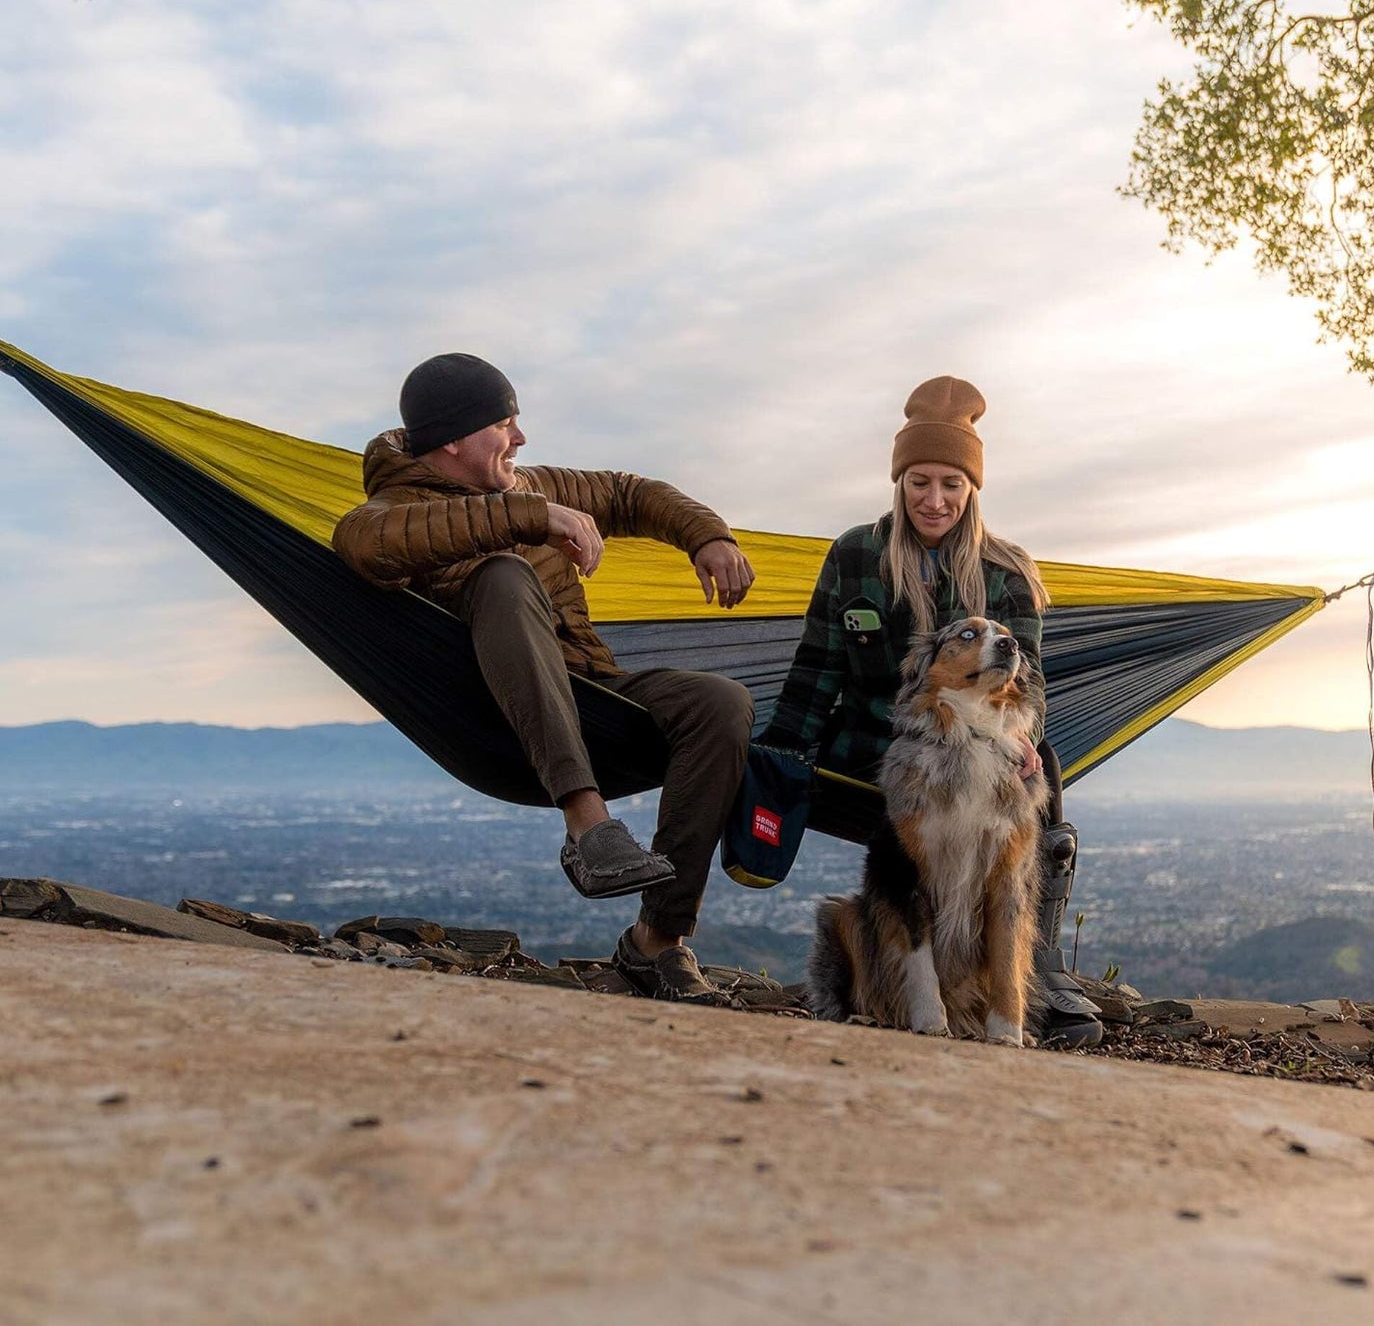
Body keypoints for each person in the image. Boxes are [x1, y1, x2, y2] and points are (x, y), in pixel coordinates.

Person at [333, 352, 757, 1004]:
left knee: (719, 702)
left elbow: (628, 493)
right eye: (504, 423)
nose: (520, 438)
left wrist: (707, 536)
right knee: (503, 575)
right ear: (452, 438)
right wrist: (534, 515)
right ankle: (588, 828)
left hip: (592, 698)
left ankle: (656, 942)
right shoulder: (392, 510)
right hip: (497, 721)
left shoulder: (528, 481)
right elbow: (364, 543)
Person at [759, 376, 1103, 1047]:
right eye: (919, 481)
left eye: (951, 483)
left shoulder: (1007, 572)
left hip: (973, 747)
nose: (934, 499)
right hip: (865, 750)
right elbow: (815, 668)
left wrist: (1024, 737)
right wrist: (774, 755)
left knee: (1044, 777)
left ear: (971, 488)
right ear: (899, 480)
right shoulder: (854, 553)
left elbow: (1026, 685)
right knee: (749, 758)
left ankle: (1034, 970)